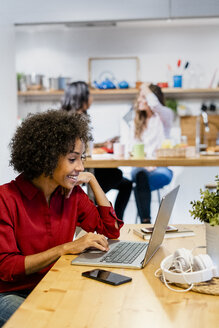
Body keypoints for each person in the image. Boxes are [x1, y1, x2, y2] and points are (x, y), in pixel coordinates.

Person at [0, 110, 123, 326]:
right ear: (47, 158)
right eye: (73, 159)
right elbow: (8, 267)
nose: (80, 167)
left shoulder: (71, 193)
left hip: (54, 285)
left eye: (81, 159)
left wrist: (93, 180)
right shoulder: (6, 199)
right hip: (12, 294)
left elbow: (110, 230)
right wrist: (66, 248)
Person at [61, 81, 132, 221]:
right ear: (82, 97)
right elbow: (83, 150)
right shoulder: (76, 120)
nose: (92, 98)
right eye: (90, 94)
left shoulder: (72, 117)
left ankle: (111, 217)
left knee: (124, 182)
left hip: (84, 166)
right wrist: (99, 149)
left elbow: (85, 145)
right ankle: (96, 208)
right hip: (82, 168)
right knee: (117, 175)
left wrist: (102, 144)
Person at [131, 83, 174, 223]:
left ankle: (144, 222)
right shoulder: (137, 121)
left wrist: (145, 88)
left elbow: (155, 105)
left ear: (152, 98)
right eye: (139, 97)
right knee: (140, 176)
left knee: (139, 183)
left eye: (143, 97)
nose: (139, 101)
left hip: (161, 169)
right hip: (140, 168)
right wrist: (145, 164)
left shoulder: (165, 116)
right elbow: (132, 149)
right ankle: (146, 222)